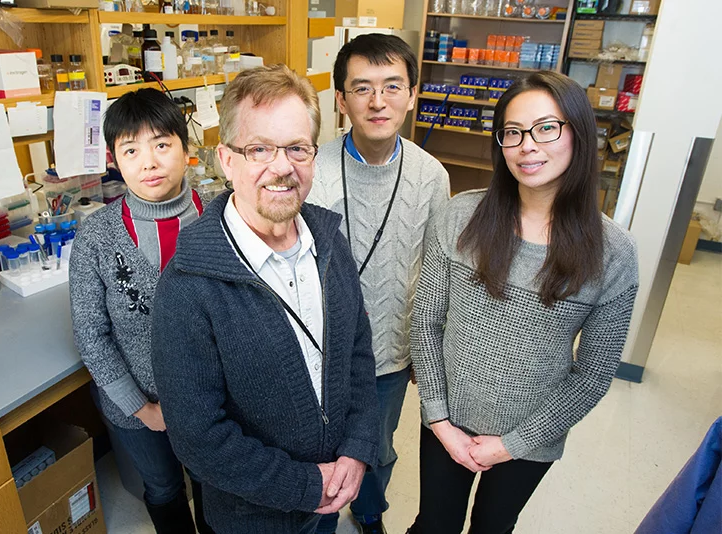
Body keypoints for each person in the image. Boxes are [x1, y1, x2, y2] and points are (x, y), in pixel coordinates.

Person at [151, 64, 380, 534]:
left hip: (332, 495)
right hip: (249, 519)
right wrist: (306, 486)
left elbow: (357, 354)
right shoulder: (188, 285)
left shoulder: (331, 244)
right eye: (259, 149)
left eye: (297, 148)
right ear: (226, 160)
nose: (282, 167)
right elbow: (199, 438)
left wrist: (356, 449)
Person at [408, 71, 640, 534]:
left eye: (546, 128)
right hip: (445, 423)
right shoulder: (458, 216)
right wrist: (438, 417)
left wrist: (512, 444)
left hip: (531, 438)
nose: (527, 145)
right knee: (434, 524)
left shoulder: (613, 251)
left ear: (578, 133)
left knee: (494, 526)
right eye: (512, 132)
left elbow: (593, 374)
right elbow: (426, 323)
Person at [307, 33, 449, 534]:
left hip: (391, 350)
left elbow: (435, 270)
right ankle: (320, 515)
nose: (378, 101)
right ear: (340, 101)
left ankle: (369, 512)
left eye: (392, 86)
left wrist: (422, 353)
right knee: (319, 444)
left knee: (378, 447)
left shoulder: (431, 175)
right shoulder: (313, 168)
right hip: (319, 346)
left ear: (412, 94)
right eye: (362, 88)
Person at [70, 88, 211, 534]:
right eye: (131, 150)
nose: (148, 162)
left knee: (215, 483)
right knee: (165, 488)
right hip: (135, 404)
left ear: (187, 150)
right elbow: (92, 337)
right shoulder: (96, 237)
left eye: (162, 144)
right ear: (115, 159)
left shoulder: (221, 216)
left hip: (214, 399)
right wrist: (142, 409)